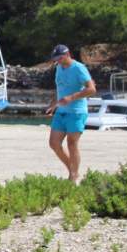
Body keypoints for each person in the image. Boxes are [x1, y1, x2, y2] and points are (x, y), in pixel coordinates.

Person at [45, 44, 96, 183]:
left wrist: (72, 97)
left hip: (76, 112)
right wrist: (54, 102)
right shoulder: (59, 68)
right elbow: (60, 87)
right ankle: (73, 171)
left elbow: (92, 89)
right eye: (56, 59)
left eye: (60, 58)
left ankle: (73, 176)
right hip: (61, 111)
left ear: (68, 55)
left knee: (72, 144)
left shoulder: (79, 68)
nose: (58, 61)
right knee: (54, 143)